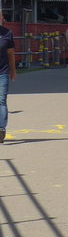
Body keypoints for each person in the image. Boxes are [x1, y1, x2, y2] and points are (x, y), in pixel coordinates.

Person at [0, 11, 15, 142]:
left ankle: (1, 129)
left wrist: (13, 71)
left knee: (2, 101)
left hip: (2, 73)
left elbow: (11, 54)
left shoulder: (7, 34)